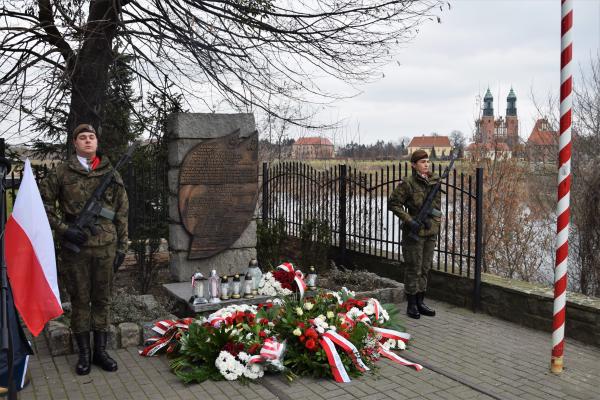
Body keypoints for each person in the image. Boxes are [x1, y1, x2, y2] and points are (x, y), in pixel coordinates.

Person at [40, 124, 129, 375]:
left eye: (92, 137)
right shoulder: (61, 172)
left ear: (96, 142)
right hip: (75, 249)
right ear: (75, 143)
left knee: (102, 299)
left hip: (106, 247)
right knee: (80, 300)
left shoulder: (111, 173)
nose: (88, 141)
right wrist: (64, 229)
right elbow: (43, 205)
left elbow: (121, 212)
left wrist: (123, 245)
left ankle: (100, 352)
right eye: (83, 137)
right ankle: (84, 355)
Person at [388, 149, 441, 319]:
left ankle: (420, 301)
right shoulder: (408, 183)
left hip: (430, 231)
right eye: (422, 162)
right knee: (414, 268)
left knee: (425, 268)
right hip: (414, 231)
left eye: (427, 161)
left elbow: (437, 206)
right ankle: (411, 304)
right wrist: (410, 220)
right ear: (413, 165)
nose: (426, 164)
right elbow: (393, 204)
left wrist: (437, 220)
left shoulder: (434, 181)